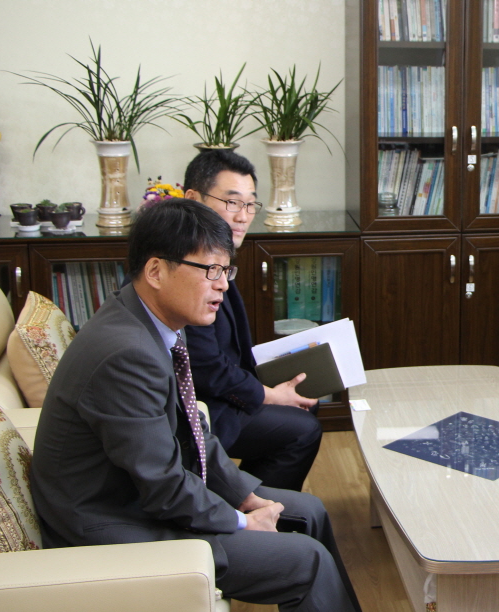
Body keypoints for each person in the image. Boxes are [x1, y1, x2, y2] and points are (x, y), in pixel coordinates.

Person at [30, 199, 359, 612]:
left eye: (226, 271)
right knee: (306, 561)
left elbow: (194, 431)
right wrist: (241, 521)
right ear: (156, 271)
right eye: (210, 270)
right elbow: (162, 485)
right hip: (112, 523)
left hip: (140, 497)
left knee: (309, 510)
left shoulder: (155, 321)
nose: (223, 285)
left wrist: (244, 496)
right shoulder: (124, 354)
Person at [183, 150, 322, 492]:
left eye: (249, 205)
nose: (243, 216)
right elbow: (204, 367)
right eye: (232, 202)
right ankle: (255, 511)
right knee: (302, 428)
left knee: (303, 399)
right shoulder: (187, 268)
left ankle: (247, 497)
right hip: (201, 408)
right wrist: (267, 395)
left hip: (220, 391)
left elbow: (228, 353)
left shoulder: (215, 257)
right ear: (193, 200)